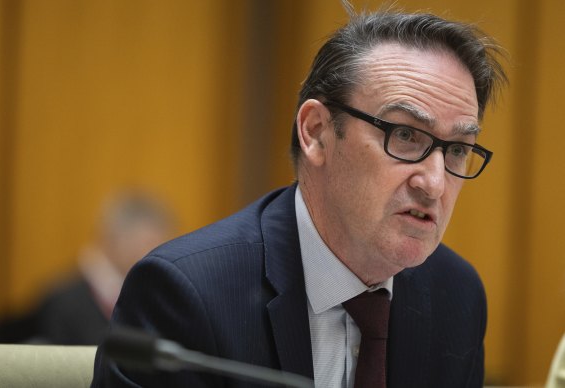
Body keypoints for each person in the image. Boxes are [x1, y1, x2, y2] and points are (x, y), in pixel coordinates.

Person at [91, 6, 507, 388]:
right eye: (404, 135)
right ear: (316, 131)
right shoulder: (187, 296)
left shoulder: (456, 295)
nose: (434, 183)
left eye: (456, 149)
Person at [32, 190, 175, 345]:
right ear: (113, 238)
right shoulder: (63, 300)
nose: (159, 254)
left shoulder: (157, 295)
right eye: (149, 243)